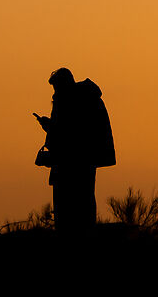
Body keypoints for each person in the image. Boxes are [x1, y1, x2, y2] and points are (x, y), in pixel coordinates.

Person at [35, 68, 115, 233]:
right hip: (85, 161)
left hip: (70, 164)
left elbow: (70, 135)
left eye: (56, 88)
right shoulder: (88, 99)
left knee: (68, 208)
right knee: (84, 203)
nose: (54, 93)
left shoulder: (69, 102)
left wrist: (49, 127)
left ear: (63, 85)